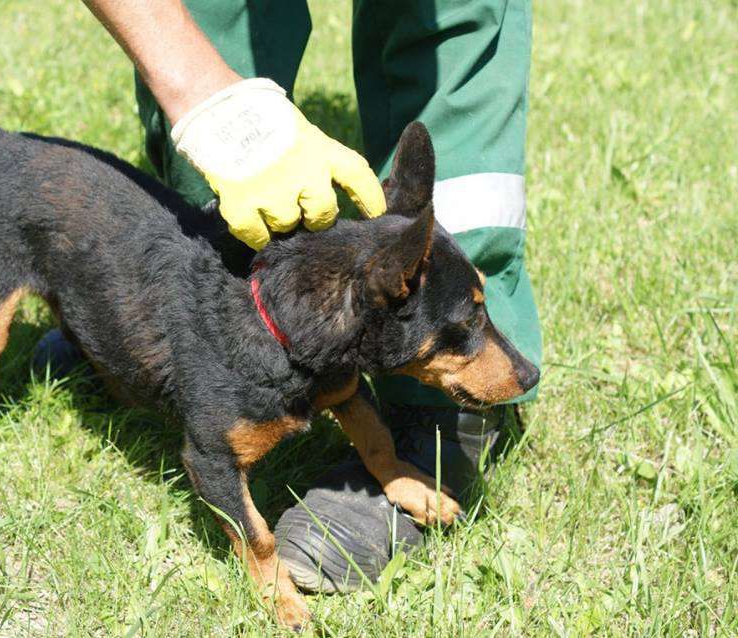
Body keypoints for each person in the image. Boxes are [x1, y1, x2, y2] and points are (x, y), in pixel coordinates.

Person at [35, 0, 542, 592]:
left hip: (398, 296)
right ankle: (162, 329)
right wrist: (202, 92)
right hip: (229, 301)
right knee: (215, 21)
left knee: (444, 28)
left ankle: (434, 424)